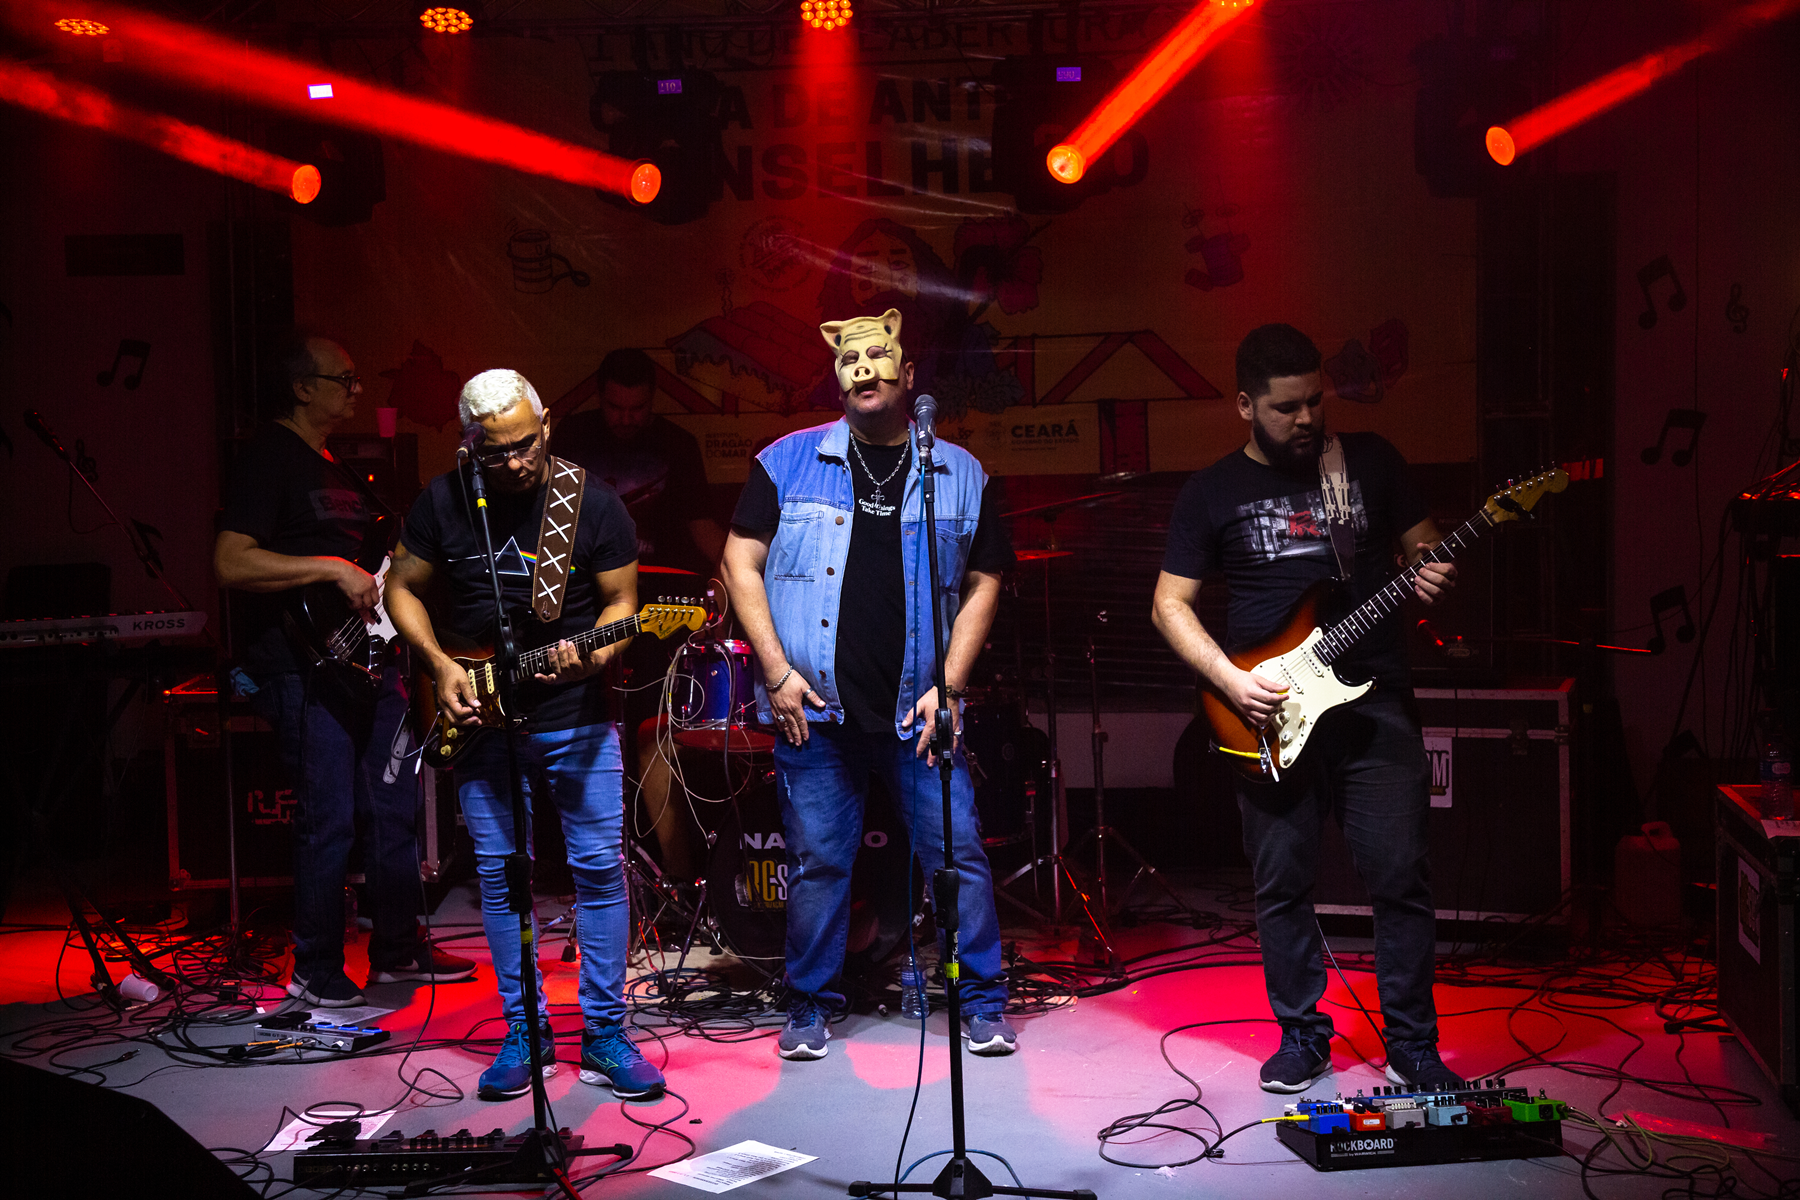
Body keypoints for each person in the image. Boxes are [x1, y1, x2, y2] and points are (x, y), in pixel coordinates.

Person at [1151, 323, 1460, 1094]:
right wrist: (1228, 679)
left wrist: (1432, 570)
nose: (1307, 419)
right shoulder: (1212, 490)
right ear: (1245, 406)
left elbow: (1425, 546)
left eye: (1315, 402)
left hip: (1374, 699)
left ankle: (1413, 1045)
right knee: (1282, 882)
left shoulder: (1371, 462)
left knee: (1401, 876)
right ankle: (1301, 1037)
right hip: (1268, 711)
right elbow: (1169, 605)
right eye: (1286, 408)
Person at [720, 309, 1018, 1060]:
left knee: (956, 856)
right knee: (818, 864)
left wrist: (951, 687)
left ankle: (982, 1001)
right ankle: (809, 1005)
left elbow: (985, 580)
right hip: (816, 710)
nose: (861, 368)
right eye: (848, 359)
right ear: (837, 378)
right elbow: (738, 562)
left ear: (907, 374)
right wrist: (775, 670)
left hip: (919, 711)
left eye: (877, 355)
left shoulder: (960, 473)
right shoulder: (785, 463)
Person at [384, 369, 665, 1102]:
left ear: (546, 426)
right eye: (496, 451)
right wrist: (440, 665)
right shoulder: (445, 500)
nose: (514, 462)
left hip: (575, 717)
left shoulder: (591, 502)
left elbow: (622, 605)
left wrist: (595, 654)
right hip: (479, 716)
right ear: (469, 445)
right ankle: (524, 1030)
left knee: (598, 870)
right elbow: (400, 587)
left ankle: (604, 1031)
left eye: (525, 444)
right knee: (503, 877)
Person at [214, 333, 475, 1008]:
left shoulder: (337, 468)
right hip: (304, 667)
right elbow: (231, 561)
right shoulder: (269, 456)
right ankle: (316, 967)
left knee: (394, 807)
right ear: (302, 388)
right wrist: (332, 568)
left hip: (368, 659)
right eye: (344, 379)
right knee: (329, 816)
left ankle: (396, 948)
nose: (357, 391)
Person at [555, 349, 726, 883]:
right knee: (575, 735)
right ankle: (577, 873)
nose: (627, 418)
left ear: (653, 401)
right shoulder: (569, 439)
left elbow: (702, 527)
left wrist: (735, 580)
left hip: (659, 618)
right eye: (615, 407)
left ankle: (677, 880)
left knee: (655, 733)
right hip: (581, 611)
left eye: (638, 408)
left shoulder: (677, 444)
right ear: (599, 397)